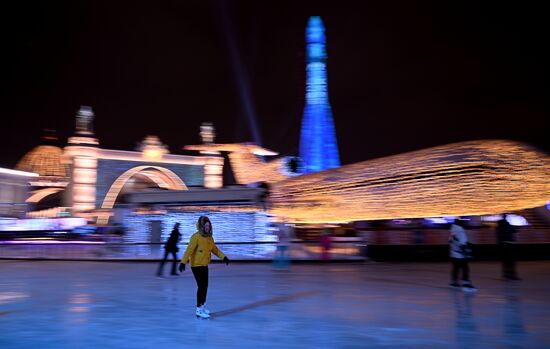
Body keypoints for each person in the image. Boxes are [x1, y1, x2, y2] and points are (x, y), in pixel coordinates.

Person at [178, 216, 229, 318]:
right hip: (196, 265)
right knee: (201, 286)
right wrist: (183, 262)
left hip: (204, 264)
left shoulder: (209, 237)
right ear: (201, 226)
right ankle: (198, 310)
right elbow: (189, 250)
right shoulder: (195, 237)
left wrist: (223, 257)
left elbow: (215, 249)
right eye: (206, 226)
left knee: (205, 286)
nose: (207, 228)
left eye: (209, 226)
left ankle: (202, 306)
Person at [449, 219, 476, 292]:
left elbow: (450, 241)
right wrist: (467, 253)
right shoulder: (460, 230)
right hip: (460, 253)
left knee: (456, 267)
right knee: (465, 267)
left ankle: (454, 281)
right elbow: (463, 242)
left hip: (454, 252)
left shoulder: (452, 230)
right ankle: (465, 281)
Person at [496, 214, 520, 280]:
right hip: (510, 244)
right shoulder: (508, 224)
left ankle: (506, 274)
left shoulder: (499, 226)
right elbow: (515, 231)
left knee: (505, 260)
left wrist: (499, 243)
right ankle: (512, 274)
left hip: (503, 244)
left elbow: (498, 236)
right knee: (511, 260)